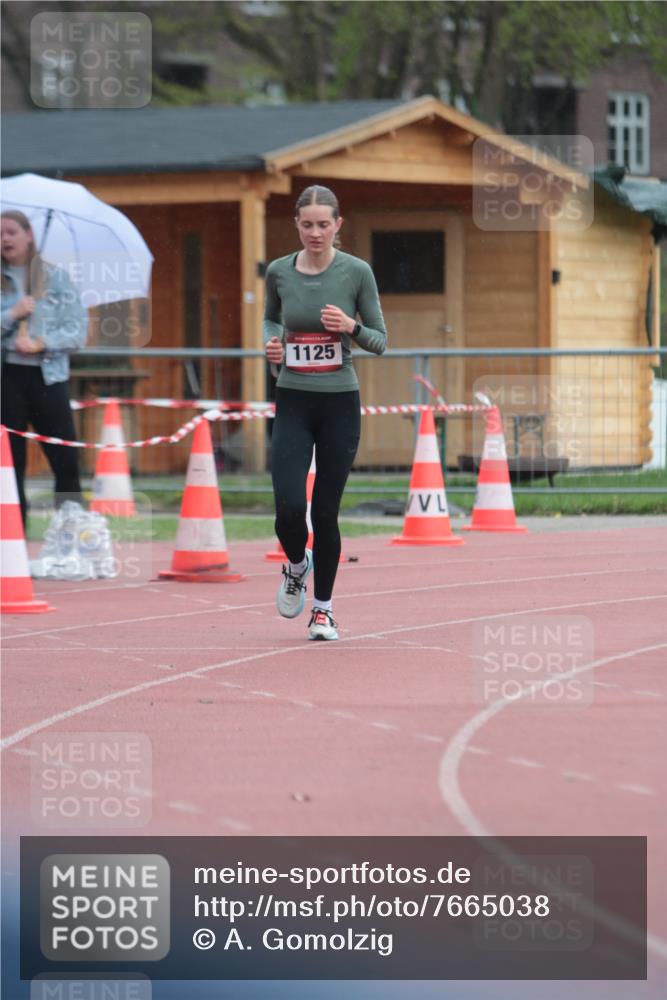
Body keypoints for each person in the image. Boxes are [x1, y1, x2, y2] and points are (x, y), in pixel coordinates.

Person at [264, 185, 387, 641]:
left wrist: (350, 327)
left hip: (339, 403)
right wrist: (272, 345)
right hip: (293, 401)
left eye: (323, 224)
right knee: (288, 509)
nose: (315, 232)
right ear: (296, 225)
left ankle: (323, 609)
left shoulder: (356, 272)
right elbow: (271, 319)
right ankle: (297, 565)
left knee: (325, 512)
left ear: (338, 225)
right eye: (307, 224)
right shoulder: (279, 271)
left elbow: (380, 339)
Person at [1, 210, 88, 526]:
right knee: (10, 461)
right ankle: (12, 536)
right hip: (7, 378)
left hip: (48, 377)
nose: (5, 239)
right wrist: (12, 314)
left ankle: (71, 531)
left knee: (65, 458)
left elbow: (78, 330)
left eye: (11, 231)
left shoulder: (56, 277)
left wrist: (43, 342)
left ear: (28, 236)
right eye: (0, 234)